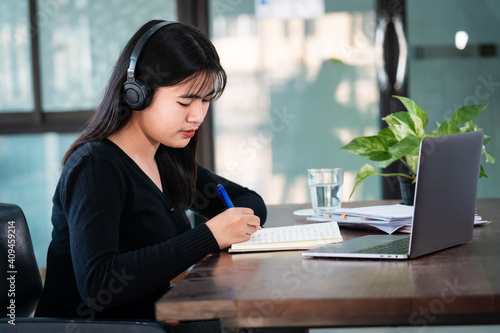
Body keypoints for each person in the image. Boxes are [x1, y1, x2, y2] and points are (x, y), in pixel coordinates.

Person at [34, 19, 266, 329]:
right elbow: (99, 284)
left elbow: (247, 200)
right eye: (185, 101)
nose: (197, 115)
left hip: (145, 321)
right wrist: (210, 235)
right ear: (137, 93)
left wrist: (231, 225)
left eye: (205, 101)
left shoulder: (165, 158)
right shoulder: (94, 167)